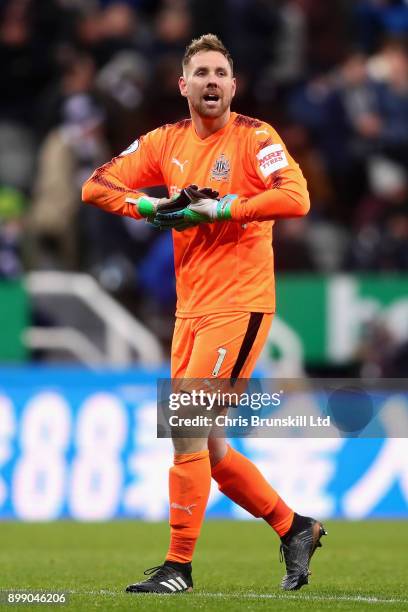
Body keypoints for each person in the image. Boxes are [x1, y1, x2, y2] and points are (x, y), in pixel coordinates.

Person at [82, 33, 326, 594]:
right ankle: (295, 527)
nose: (212, 82)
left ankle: (178, 568)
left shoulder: (254, 137)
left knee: (187, 425)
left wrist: (227, 207)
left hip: (239, 303)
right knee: (208, 446)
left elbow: (296, 197)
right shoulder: (164, 142)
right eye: (202, 73)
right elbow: (95, 187)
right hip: (190, 310)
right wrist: (151, 205)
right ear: (183, 84)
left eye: (221, 73)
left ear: (233, 86)